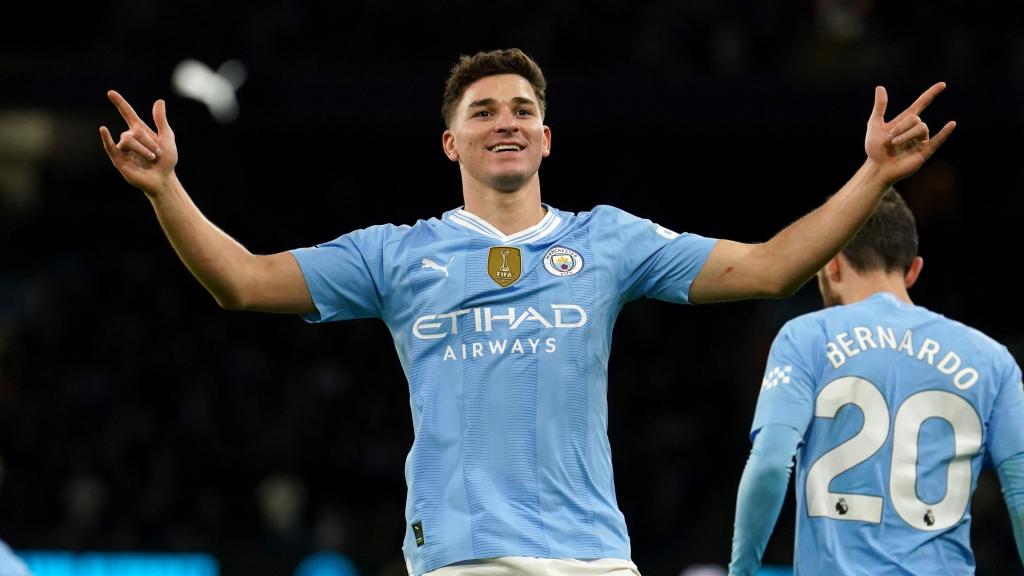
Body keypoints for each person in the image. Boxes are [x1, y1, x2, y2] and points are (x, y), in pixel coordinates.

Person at [100, 48, 954, 576]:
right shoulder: (396, 254)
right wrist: (166, 189)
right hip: (460, 561)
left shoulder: (608, 241)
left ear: (546, 139)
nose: (505, 122)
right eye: (484, 112)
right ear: (452, 143)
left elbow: (769, 269)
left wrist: (874, 175)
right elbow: (242, 282)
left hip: (592, 558)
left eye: (522, 111)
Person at [728, 189, 1024, 575]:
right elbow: (1019, 492)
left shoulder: (805, 338)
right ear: (913, 269)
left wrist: (742, 570)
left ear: (830, 264)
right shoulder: (992, 359)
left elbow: (769, 464)